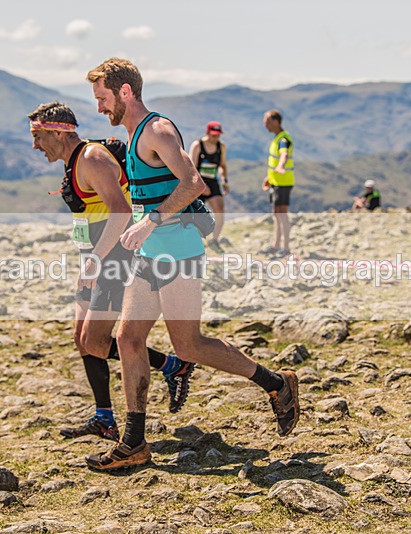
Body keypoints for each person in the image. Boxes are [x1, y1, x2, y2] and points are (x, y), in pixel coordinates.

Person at [85, 57, 300, 470]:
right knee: (129, 339)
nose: (99, 107)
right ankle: (134, 443)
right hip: (150, 254)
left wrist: (148, 222)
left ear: (125, 92)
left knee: (189, 345)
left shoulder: (157, 129)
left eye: (102, 98)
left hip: (178, 252)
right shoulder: (131, 136)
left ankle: (276, 383)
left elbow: (193, 183)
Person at [28, 102, 195, 443]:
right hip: (94, 257)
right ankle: (104, 418)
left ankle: (172, 366)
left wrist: (96, 259)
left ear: (58, 131)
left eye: (37, 135)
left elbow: (119, 211)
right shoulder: (74, 162)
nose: (34, 145)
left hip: (114, 258)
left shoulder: (91, 158)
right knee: (83, 340)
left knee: (95, 340)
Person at [188, 121, 228, 253]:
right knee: (194, 212)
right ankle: (193, 240)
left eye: (218, 135)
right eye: (213, 135)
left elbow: (222, 165)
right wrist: (201, 185)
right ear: (207, 133)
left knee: (220, 208)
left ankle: (214, 239)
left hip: (212, 181)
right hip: (198, 181)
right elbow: (191, 167)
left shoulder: (221, 147)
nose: (215, 138)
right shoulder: (197, 145)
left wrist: (224, 180)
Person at [261, 110, 294, 258]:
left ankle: (285, 247)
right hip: (276, 182)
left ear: (275, 121)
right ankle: (276, 245)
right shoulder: (277, 138)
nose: (265, 124)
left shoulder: (283, 140)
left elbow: (284, 155)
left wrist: (281, 166)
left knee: (282, 214)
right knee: (277, 214)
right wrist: (269, 177)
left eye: (267, 121)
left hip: (283, 182)